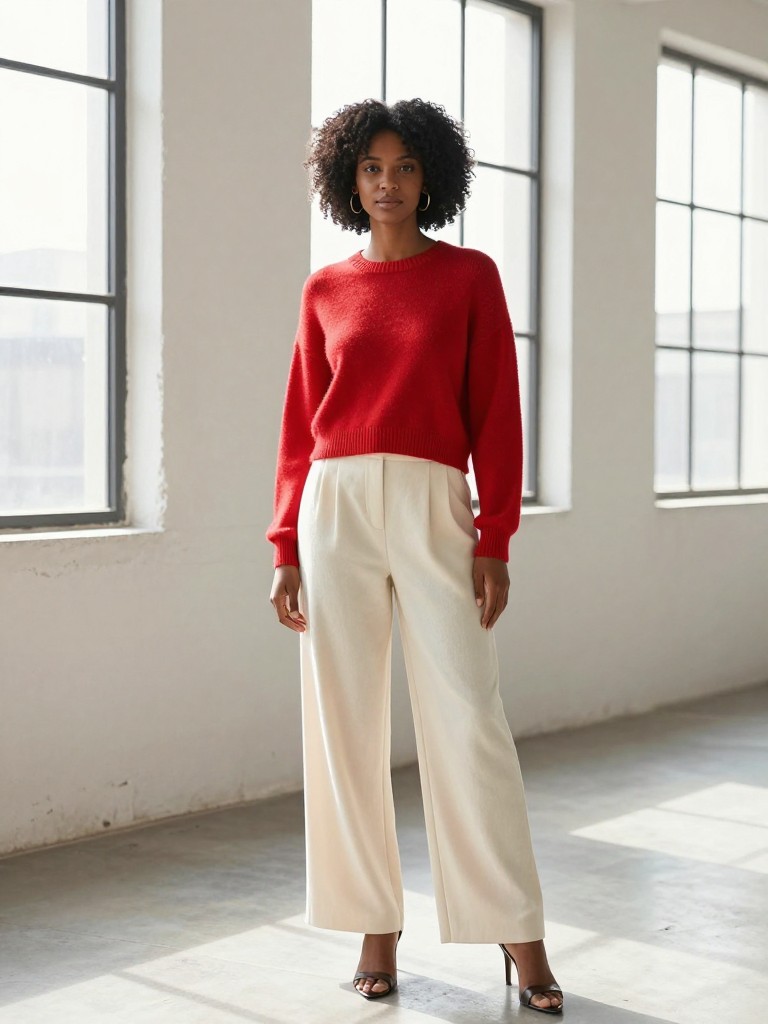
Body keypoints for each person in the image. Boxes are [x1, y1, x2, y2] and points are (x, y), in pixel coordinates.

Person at [266, 97, 563, 1014]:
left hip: (437, 503)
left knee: (469, 715)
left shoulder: (469, 278)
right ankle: (374, 927)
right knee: (342, 723)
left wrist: (497, 539)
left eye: (401, 167)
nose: (386, 183)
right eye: (369, 169)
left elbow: (497, 416)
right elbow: (296, 429)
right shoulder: (324, 290)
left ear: (430, 175)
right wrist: (285, 542)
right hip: (336, 505)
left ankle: (519, 933)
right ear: (347, 181)